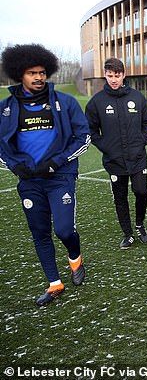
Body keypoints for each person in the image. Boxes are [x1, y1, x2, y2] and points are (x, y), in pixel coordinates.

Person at [0, 44, 91, 306]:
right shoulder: (6, 109)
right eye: (32, 73)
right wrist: (15, 166)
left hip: (60, 177)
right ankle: (54, 283)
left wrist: (56, 162)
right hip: (29, 181)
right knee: (39, 232)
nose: (38, 77)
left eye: (42, 72)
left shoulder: (65, 102)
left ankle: (75, 257)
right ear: (20, 74)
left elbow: (83, 137)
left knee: (63, 230)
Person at [85, 58, 147, 250]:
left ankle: (140, 225)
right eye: (110, 75)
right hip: (114, 160)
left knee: (141, 192)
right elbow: (90, 130)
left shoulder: (138, 98)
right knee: (120, 197)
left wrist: (142, 140)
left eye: (117, 75)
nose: (113, 79)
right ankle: (128, 233)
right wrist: (106, 146)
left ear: (124, 75)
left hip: (138, 157)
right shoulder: (96, 102)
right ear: (105, 75)